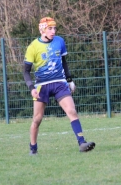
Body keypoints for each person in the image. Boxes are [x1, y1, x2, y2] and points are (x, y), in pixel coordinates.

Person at [23, 17, 95, 155]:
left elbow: (64, 62)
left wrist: (69, 80)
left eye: (55, 28)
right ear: (42, 29)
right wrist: (31, 88)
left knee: (72, 111)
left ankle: (82, 143)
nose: (53, 31)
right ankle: (33, 149)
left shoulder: (60, 41)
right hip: (41, 86)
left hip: (59, 82)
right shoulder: (33, 47)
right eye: (50, 28)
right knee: (37, 119)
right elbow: (26, 71)